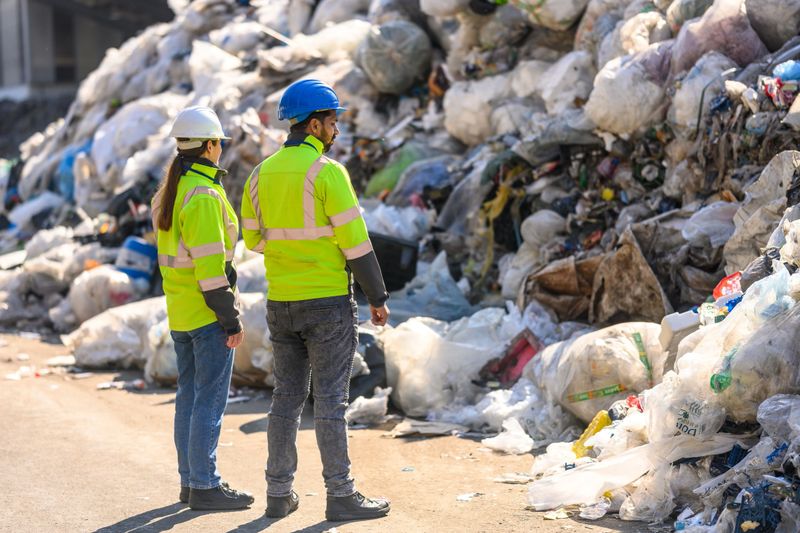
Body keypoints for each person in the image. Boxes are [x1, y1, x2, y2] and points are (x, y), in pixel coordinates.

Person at [240, 80, 391, 522]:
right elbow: (357, 243)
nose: (337, 129)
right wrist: (377, 296)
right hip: (326, 303)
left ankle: (278, 493)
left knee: (285, 399)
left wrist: (292, 253)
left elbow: (252, 239)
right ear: (313, 123)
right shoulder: (328, 173)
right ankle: (341, 495)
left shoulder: (259, 173)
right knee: (329, 402)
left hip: (281, 302)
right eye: (332, 121)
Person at [152, 106, 254, 511]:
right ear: (211, 146)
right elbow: (212, 270)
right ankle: (205, 484)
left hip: (180, 313)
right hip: (207, 314)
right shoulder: (204, 195)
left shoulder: (171, 191)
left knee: (189, 399)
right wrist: (230, 319)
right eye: (220, 144)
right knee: (209, 401)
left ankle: (190, 482)